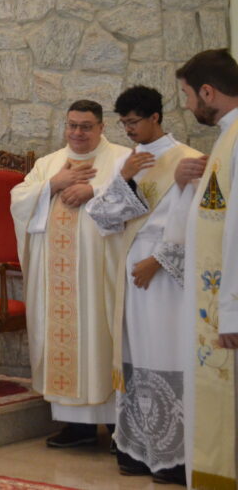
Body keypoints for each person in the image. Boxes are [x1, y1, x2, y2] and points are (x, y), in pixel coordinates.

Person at [84, 86, 199, 484]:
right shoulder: (132, 162)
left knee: (166, 353)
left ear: (155, 117)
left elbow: (195, 221)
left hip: (167, 278)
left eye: (134, 121)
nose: (129, 130)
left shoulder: (186, 159)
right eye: (124, 123)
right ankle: (139, 449)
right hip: (131, 273)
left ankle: (174, 457)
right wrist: (127, 181)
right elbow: (103, 217)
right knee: (136, 354)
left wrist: (160, 260)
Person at [10, 100, 130, 448]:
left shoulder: (121, 159)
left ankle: (118, 427)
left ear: (102, 127)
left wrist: (93, 190)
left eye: (86, 126)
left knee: (100, 338)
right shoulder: (49, 164)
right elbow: (18, 199)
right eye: (72, 125)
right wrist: (54, 184)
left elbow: (140, 199)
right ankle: (76, 427)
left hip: (99, 275)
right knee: (63, 345)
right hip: (55, 277)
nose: (77, 133)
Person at [172, 49, 238, 489]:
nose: (189, 104)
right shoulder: (227, 139)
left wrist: (231, 310)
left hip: (228, 309)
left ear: (208, 92)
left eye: (189, 95)